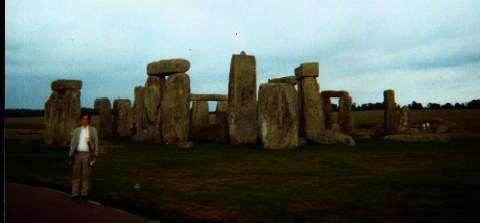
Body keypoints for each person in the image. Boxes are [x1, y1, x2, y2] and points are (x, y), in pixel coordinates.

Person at [69, 113, 99, 201]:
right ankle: (75, 194)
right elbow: (72, 143)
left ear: (89, 120)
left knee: (86, 175)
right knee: (76, 174)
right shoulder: (76, 130)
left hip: (88, 154)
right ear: (81, 120)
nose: (84, 121)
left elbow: (96, 143)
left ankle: (84, 194)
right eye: (83, 119)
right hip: (77, 154)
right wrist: (71, 154)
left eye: (86, 119)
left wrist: (95, 155)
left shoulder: (93, 130)